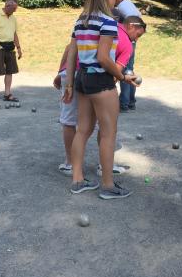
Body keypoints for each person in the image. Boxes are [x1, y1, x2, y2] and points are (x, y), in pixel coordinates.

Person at [63, 0, 138, 199]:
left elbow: (72, 55)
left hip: (82, 78)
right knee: (108, 133)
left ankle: (77, 180)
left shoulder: (81, 20)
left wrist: (69, 83)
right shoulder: (108, 22)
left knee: (83, 130)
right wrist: (122, 77)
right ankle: (107, 185)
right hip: (101, 80)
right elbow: (104, 58)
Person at [54, 15, 147, 176]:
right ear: (131, 26)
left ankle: (70, 165)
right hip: (97, 80)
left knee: (71, 122)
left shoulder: (92, 23)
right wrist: (122, 78)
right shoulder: (124, 42)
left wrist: (62, 72)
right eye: (138, 35)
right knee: (106, 127)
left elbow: (70, 48)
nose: (136, 40)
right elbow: (113, 71)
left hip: (73, 74)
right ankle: (104, 168)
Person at [113, 0, 142, 112]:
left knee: (124, 71)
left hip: (127, 41)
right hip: (131, 41)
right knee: (129, 70)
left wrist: (131, 37)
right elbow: (139, 16)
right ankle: (131, 102)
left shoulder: (122, 7)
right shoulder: (129, 3)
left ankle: (124, 104)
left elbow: (134, 22)